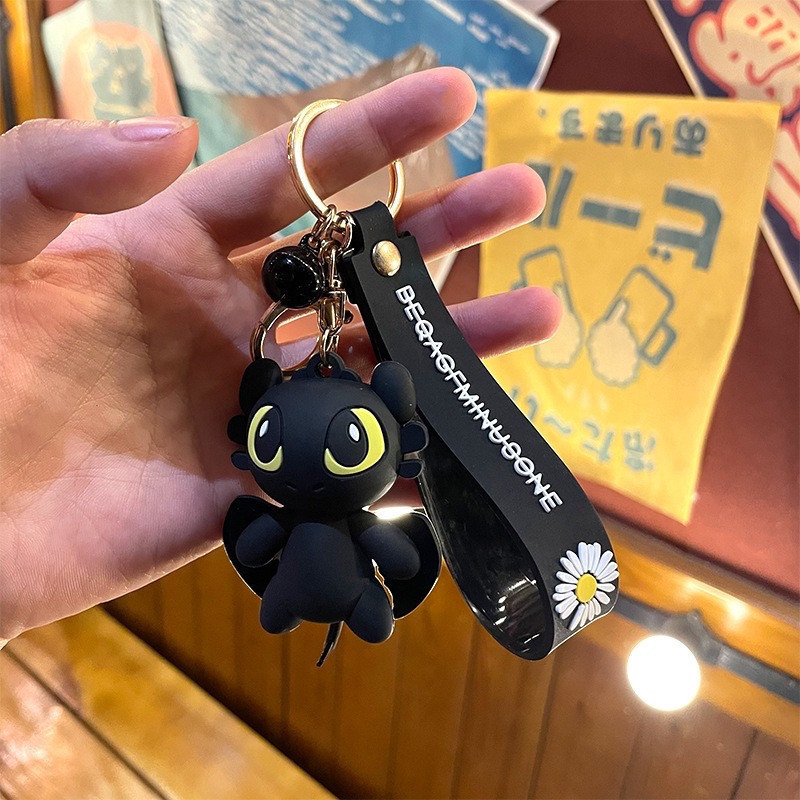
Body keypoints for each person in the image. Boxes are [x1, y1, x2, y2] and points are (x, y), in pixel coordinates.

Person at [0, 68, 559, 645]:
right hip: (296, 590)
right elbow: (364, 554)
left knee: (350, 617)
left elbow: (375, 554)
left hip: (325, 590)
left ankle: (343, 605)